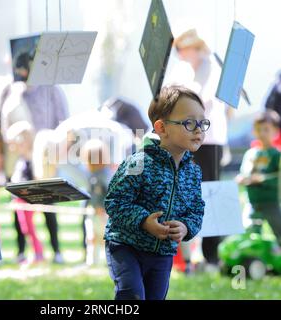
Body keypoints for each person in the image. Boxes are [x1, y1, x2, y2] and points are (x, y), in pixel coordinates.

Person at [104, 86, 207, 300]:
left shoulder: (193, 172)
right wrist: (144, 221)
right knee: (132, 295)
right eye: (189, 123)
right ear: (161, 127)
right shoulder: (139, 162)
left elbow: (196, 210)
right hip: (126, 247)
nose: (198, 129)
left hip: (163, 254)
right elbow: (115, 201)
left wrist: (186, 227)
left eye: (202, 123)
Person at [0, 52, 69, 264]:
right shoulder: (7, 87)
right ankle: (22, 251)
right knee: (18, 203)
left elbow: (64, 119)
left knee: (48, 203)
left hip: (44, 154)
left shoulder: (50, 87)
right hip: (17, 154)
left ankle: (56, 251)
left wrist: (61, 145)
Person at [171, 28, 233, 270]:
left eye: (182, 49)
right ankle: (191, 254)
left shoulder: (212, 67)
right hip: (188, 139)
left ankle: (213, 255)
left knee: (212, 194)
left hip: (210, 139)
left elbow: (205, 101)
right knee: (189, 193)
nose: (179, 54)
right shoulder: (185, 70)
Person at [236, 111, 281, 249]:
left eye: (266, 129)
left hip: (270, 202)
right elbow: (244, 173)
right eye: (258, 129)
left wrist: (263, 180)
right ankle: (255, 258)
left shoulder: (276, 154)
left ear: (275, 131)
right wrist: (242, 179)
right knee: (251, 231)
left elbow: (278, 178)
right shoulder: (250, 154)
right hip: (252, 201)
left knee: (278, 230)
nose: (262, 133)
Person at [7, 121, 44, 264]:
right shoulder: (21, 159)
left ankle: (38, 253)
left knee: (29, 228)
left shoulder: (31, 158)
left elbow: (34, 178)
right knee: (25, 228)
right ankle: (34, 253)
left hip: (26, 199)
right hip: (18, 199)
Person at [81, 139, 112, 265]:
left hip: (102, 214)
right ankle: (91, 261)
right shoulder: (90, 174)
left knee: (104, 238)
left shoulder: (105, 174)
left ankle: (107, 262)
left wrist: (103, 207)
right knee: (91, 237)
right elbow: (90, 193)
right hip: (92, 213)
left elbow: (110, 193)